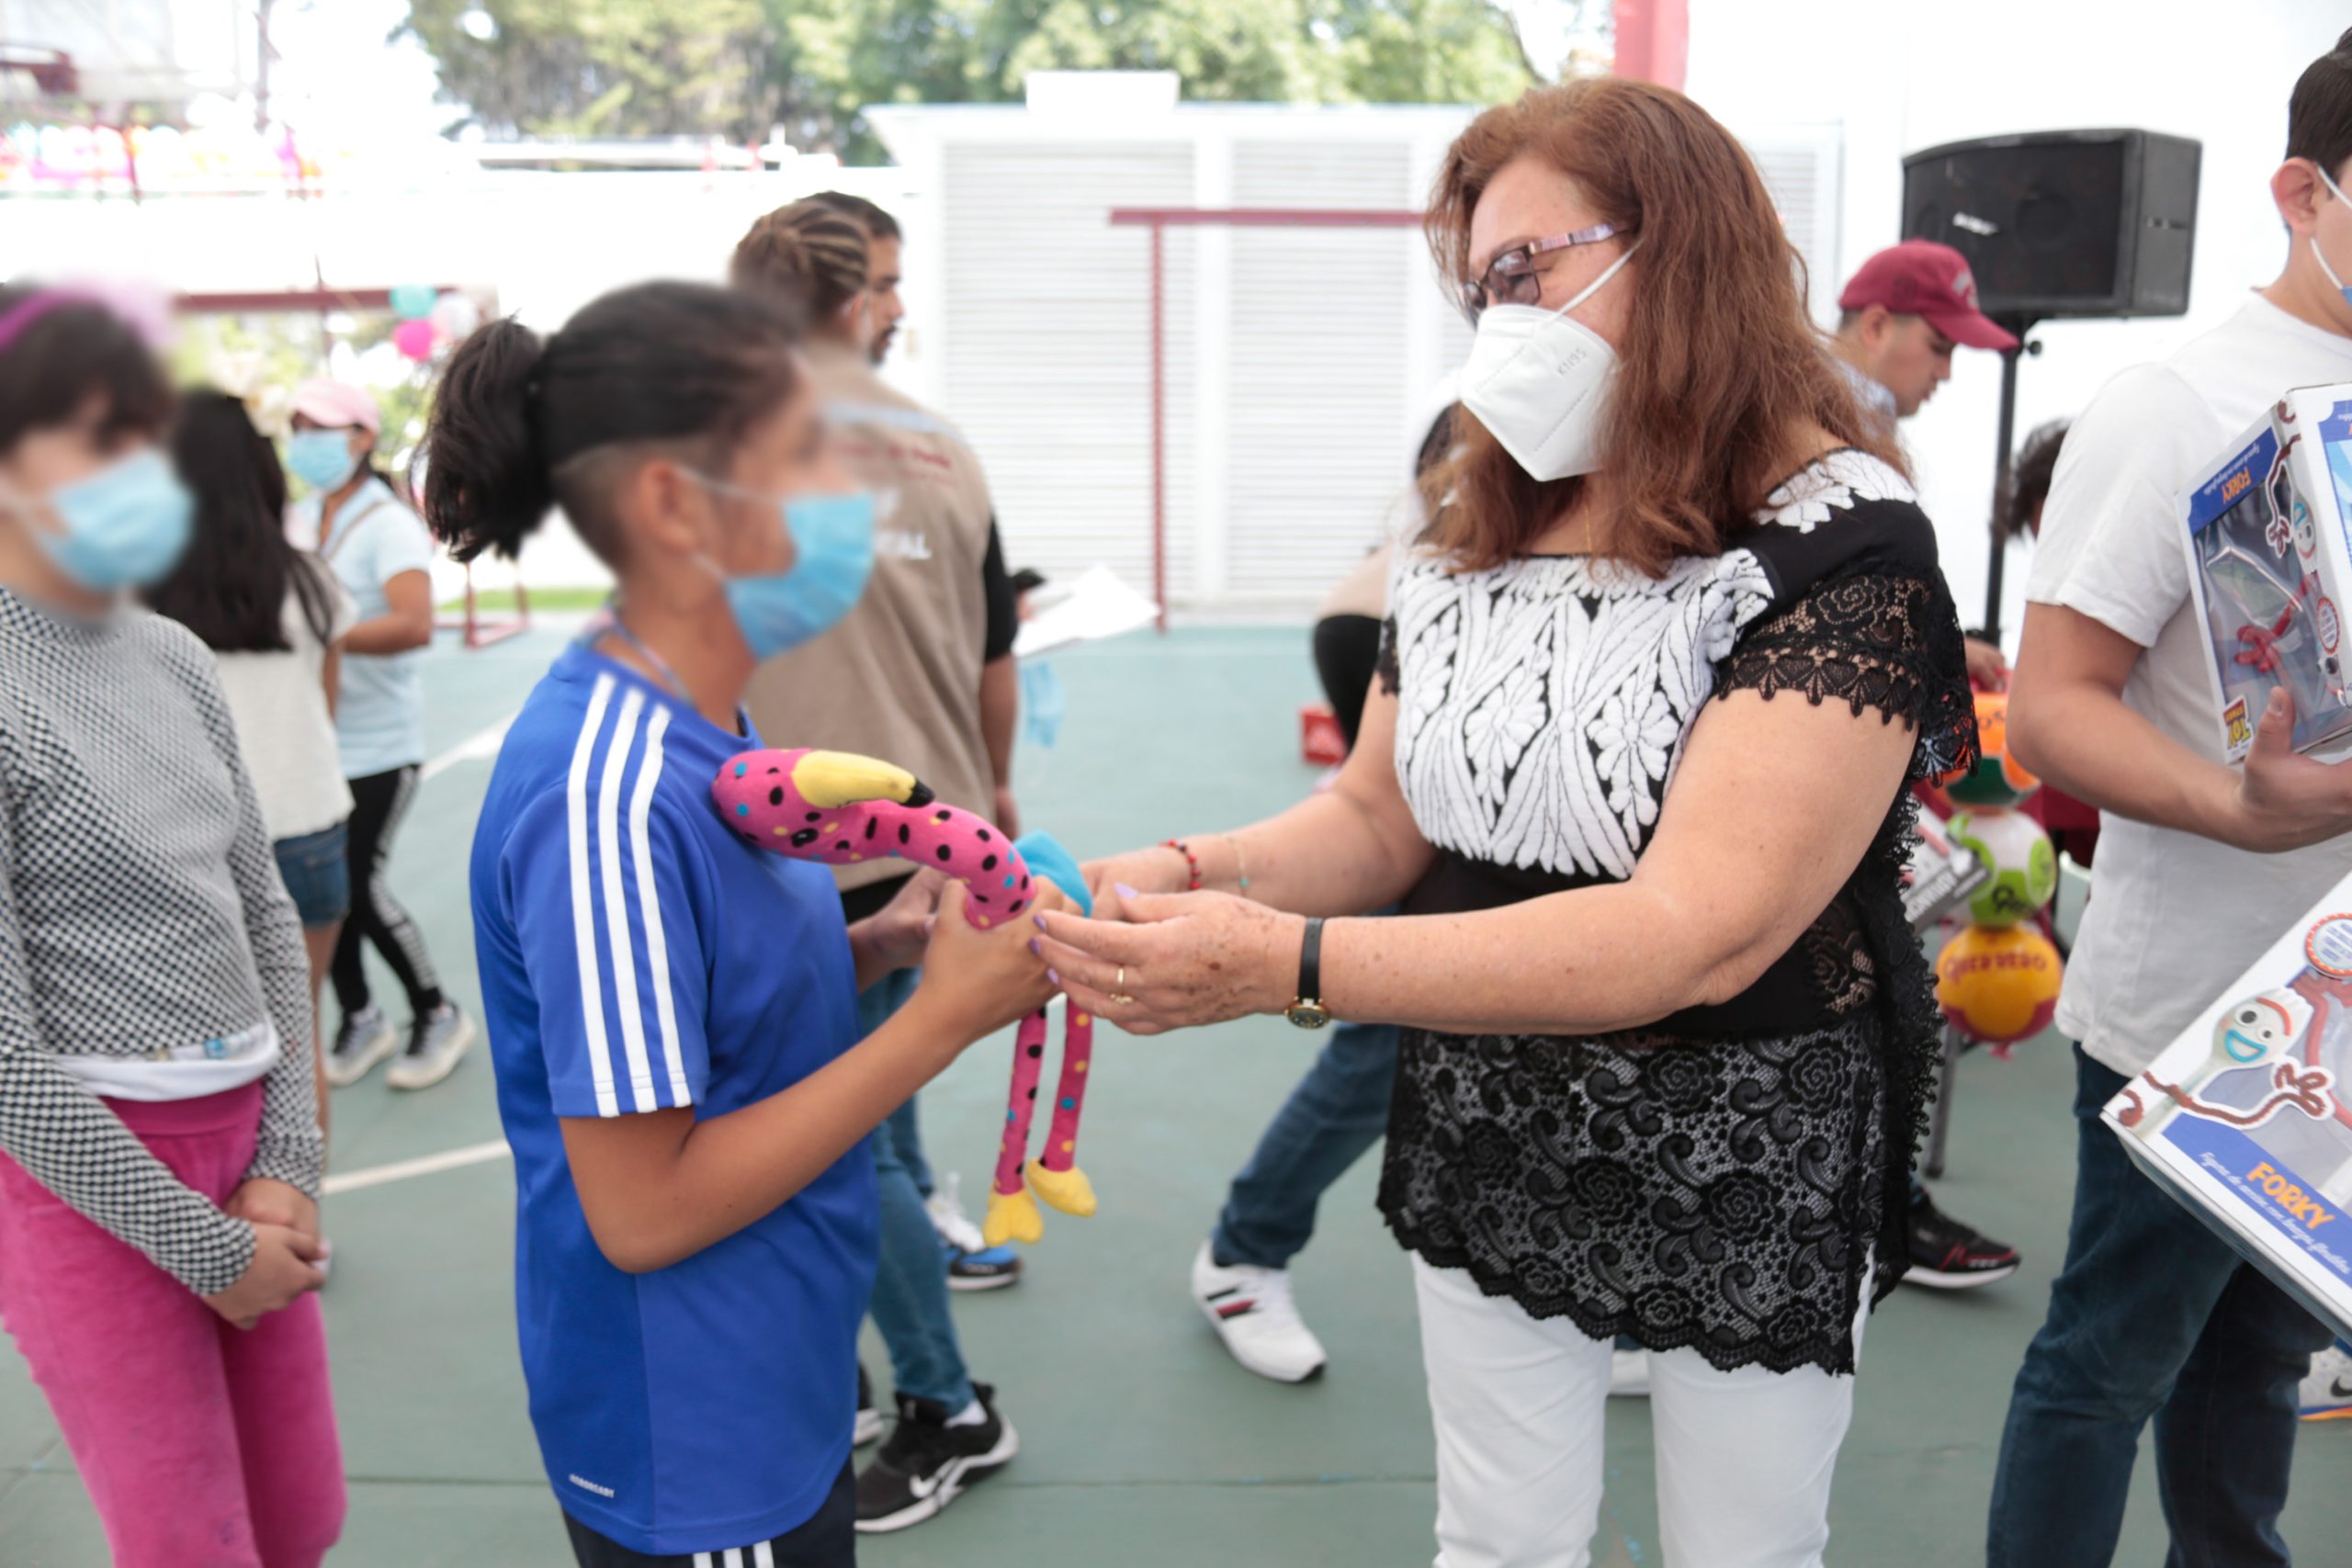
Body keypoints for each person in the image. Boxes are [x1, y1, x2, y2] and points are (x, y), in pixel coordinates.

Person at [1048, 78, 1974, 1566]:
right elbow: (1374, 817)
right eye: (1484, 284)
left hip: (1746, 1136)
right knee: (1492, 1533)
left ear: (1686, 253)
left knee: (1745, 1546)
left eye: (1533, 271)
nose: (1506, 320)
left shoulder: (1839, 541)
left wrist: (1283, 964)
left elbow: (1695, 930)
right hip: (1495, 1107)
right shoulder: (1479, 504)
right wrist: (1190, 871)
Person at [423, 279, 1064, 1568]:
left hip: (779, 1359)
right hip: (700, 1420)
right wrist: (938, 1021)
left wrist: (873, 947)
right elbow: (643, 1209)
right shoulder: (603, 790)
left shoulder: (710, 713)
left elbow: (693, 999)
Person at [1993, 32, 2352, 1567]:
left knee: (2261, 1354)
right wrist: (2230, 802)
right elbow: (2053, 707)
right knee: (2109, 1363)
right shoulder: (2174, 404)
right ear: (2303, 190)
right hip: (2202, 1001)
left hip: (2333, 1017)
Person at [0, 287, 341, 1566]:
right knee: (189, 1539)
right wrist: (204, 1245)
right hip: (85, 1177)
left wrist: (287, 1165)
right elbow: (5, 1054)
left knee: (302, 1517)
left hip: (247, 1150)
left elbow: (262, 899)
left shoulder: (170, 652)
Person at [733, 197, 1027, 1533]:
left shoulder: (741, 451)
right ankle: (877, 1357)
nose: (901, 308)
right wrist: (996, 792)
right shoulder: (946, 450)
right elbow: (992, 659)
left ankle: (943, 1401)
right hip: (931, 838)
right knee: (884, 1124)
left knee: (841, 1150)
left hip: (820, 850)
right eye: (884, 286)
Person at [1187, 410, 1447, 1386]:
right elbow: (1369, 828)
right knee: (1388, 1030)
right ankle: (1244, 1248)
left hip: (1374, 617)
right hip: (1387, 628)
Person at [1833, 240, 2027, 1289]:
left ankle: (1882, 1214)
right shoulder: (1832, 419)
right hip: (1815, 763)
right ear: (1875, 324)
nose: (1948, 370)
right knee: (1879, 997)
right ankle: (1888, 1218)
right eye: (1938, 342)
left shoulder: (1847, 419)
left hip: (1833, 754)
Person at [149, 389, 357, 1139]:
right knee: (298, 1038)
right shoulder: (310, 579)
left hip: (194, 842)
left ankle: (232, 1234)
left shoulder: (140, 594)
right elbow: (325, 706)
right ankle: (305, 1230)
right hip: (308, 824)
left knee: (203, 1052)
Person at [285, 378, 472, 1090]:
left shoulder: (386, 523)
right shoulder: (303, 518)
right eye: (299, 425)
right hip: (318, 738)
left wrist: (321, 633)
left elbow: (413, 622)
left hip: (380, 745)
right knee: (320, 890)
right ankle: (360, 1013)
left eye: (322, 427)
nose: (308, 439)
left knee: (359, 885)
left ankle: (437, 1009)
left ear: (362, 438)